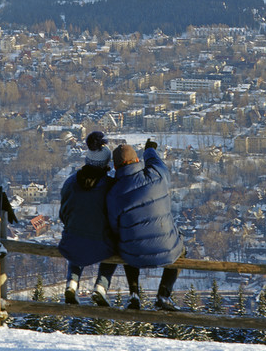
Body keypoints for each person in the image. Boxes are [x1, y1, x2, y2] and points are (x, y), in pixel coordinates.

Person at [107, 138, 185, 311]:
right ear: (137, 160)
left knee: (126, 242)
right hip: (168, 250)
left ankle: (134, 294)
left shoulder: (114, 193)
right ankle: (163, 295)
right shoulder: (157, 175)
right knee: (181, 250)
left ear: (116, 167)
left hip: (133, 255)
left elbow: (114, 226)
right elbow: (157, 162)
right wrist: (149, 150)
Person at [58, 131, 118, 306]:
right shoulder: (110, 186)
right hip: (101, 244)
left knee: (77, 241)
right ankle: (101, 286)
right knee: (113, 249)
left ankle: (72, 283)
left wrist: (71, 225)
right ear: (106, 163)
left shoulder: (71, 182)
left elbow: (63, 212)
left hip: (71, 241)